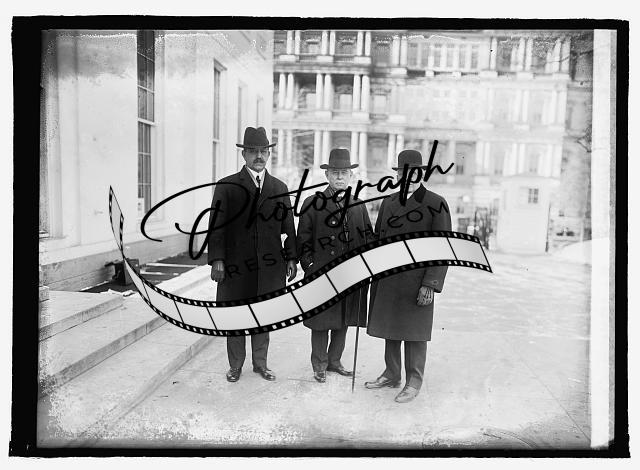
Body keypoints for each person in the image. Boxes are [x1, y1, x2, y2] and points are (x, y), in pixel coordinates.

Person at [208, 126, 297, 383]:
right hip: (236, 267)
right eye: (253, 151)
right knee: (236, 316)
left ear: (268, 154)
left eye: (263, 151)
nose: (259, 156)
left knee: (263, 316)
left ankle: (261, 364)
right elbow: (216, 226)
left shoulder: (279, 187)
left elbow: (288, 227)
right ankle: (235, 365)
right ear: (244, 154)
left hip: (269, 267)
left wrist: (291, 257)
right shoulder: (226, 186)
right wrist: (217, 260)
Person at [365, 149, 452, 403]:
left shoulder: (436, 203)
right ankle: (391, 374)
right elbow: (379, 239)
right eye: (404, 173)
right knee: (390, 327)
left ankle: (414, 381)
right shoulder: (389, 202)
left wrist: (430, 284)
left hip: (417, 281)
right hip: (388, 279)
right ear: (398, 175)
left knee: (414, 333)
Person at [296, 148, 372, 383]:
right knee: (321, 321)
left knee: (343, 319)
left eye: (344, 173)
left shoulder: (358, 205)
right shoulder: (313, 203)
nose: (340, 177)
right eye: (335, 172)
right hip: (322, 273)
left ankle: (334, 361)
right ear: (327, 175)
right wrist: (310, 265)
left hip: (350, 275)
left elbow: (367, 237)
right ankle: (319, 364)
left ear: (351, 176)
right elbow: (303, 239)